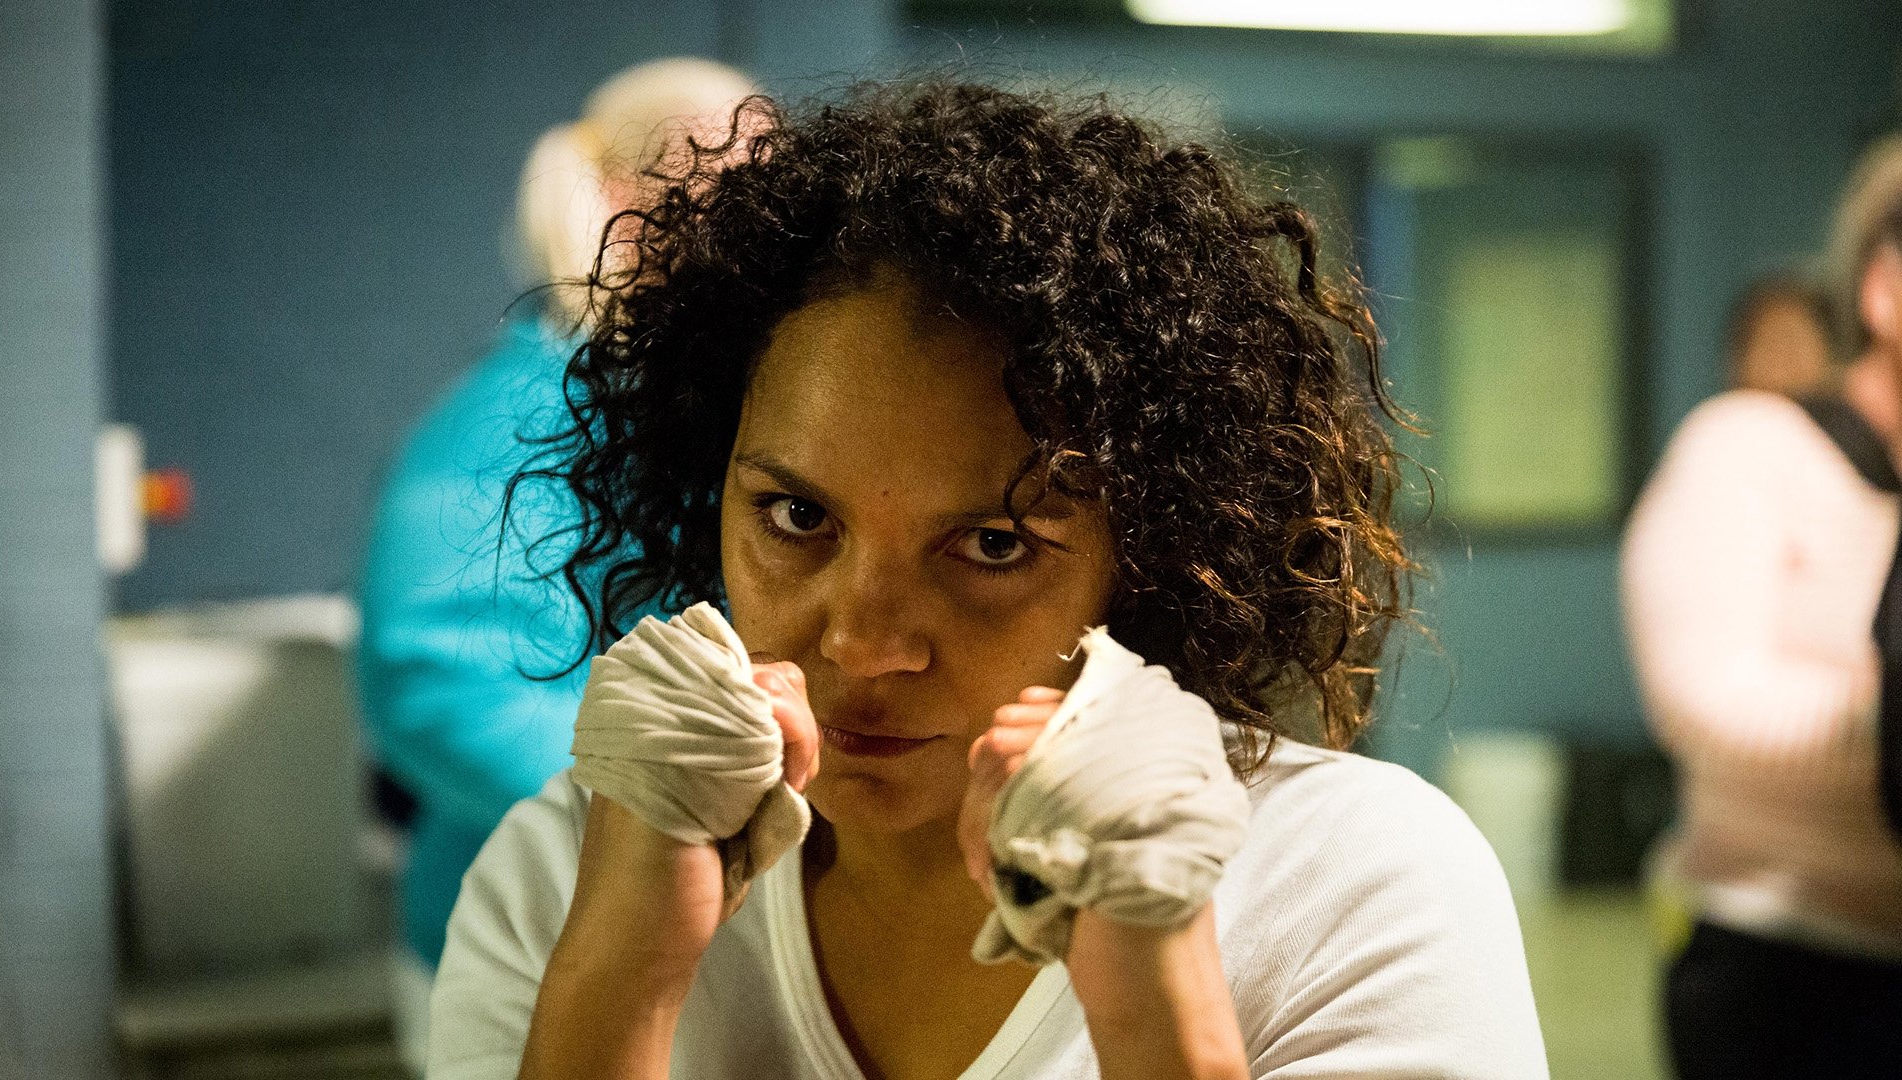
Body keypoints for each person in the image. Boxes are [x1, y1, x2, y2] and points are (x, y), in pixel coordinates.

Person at [428, 81, 1548, 1079]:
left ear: (1150, 549)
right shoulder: (561, 877)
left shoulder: (1348, 884)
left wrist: (1160, 1000)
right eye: (798, 518)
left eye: (993, 546)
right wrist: (623, 973)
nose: (864, 644)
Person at [354, 57, 756, 1070]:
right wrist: (678, 807)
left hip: (677, 936)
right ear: (626, 201)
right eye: (743, 194)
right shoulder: (526, 419)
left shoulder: (698, 408)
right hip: (528, 943)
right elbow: (433, 683)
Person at [1622, 135, 1902, 1080]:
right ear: (1881, 291)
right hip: (1781, 964)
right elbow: (1705, 698)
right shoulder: (1748, 446)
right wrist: (1883, 715)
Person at [1725, 276, 1834, 395]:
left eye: (1793, 342)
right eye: (1771, 343)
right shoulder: (1730, 405)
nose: (1784, 359)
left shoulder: (1842, 401)